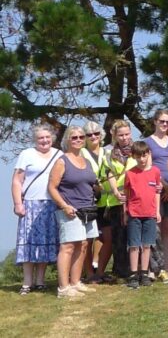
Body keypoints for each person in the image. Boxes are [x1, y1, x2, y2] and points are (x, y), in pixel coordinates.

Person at [48, 126, 99, 298]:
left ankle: (76, 282)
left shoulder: (85, 159)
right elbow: (52, 188)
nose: (78, 139)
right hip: (70, 210)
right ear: (67, 140)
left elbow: (91, 182)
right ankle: (63, 288)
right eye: (74, 137)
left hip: (88, 209)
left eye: (81, 137)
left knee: (83, 245)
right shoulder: (62, 161)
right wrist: (64, 206)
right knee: (68, 247)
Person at [13, 124, 61, 295]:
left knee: (45, 244)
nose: (44, 140)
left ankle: (40, 280)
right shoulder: (26, 154)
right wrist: (18, 203)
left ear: (52, 138)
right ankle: (27, 282)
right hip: (30, 204)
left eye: (47, 137)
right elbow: (17, 180)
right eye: (41, 137)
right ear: (35, 139)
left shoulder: (59, 155)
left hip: (51, 204)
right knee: (28, 243)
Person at [144, 109, 168, 282]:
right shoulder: (147, 142)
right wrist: (164, 186)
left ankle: (165, 266)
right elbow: (149, 167)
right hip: (155, 189)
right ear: (155, 122)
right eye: (162, 121)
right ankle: (151, 267)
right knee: (153, 229)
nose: (165, 124)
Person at [123, 141, 161, 289]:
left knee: (147, 244)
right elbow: (126, 195)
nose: (142, 159)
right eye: (138, 156)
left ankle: (144, 272)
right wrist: (125, 212)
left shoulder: (155, 172)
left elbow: (157, 192)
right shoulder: (130, 174)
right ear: (133, 157)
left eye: (144, 156)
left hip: (150, 213)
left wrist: (157, 211)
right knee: (134, 245)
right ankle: (133, 274)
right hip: (134, 213)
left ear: (149, 154)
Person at [100, 120, 135, 281]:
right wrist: (115, 192)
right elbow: (108, 173)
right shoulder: (108, 153)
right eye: (120, 135)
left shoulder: (138, 149)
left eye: (127, 134)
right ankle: (122, 270)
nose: (124, 138)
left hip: (135, 198)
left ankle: (139, 268)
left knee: (135, 235)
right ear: (114, 135)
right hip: (116, 200)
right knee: (119, 237)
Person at [81, 121, 110, 283]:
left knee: (108, 237)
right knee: (88, 239)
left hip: (106, 201)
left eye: (96, 133)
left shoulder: (107, 152)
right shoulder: (81, 153)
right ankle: (89, 273)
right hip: (88, 200)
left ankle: (100, 271)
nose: (93, 137)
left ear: (101, 135)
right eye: (89, 134)